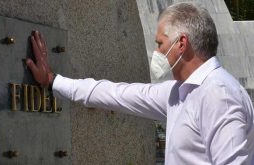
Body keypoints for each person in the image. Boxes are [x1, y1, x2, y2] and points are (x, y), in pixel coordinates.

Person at [26, 2, 254, 165]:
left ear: (181, 43)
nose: (157, 52)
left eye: (160, 43)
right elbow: (114, 94)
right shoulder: (178, 93)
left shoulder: (218, 95)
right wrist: (52, 80)